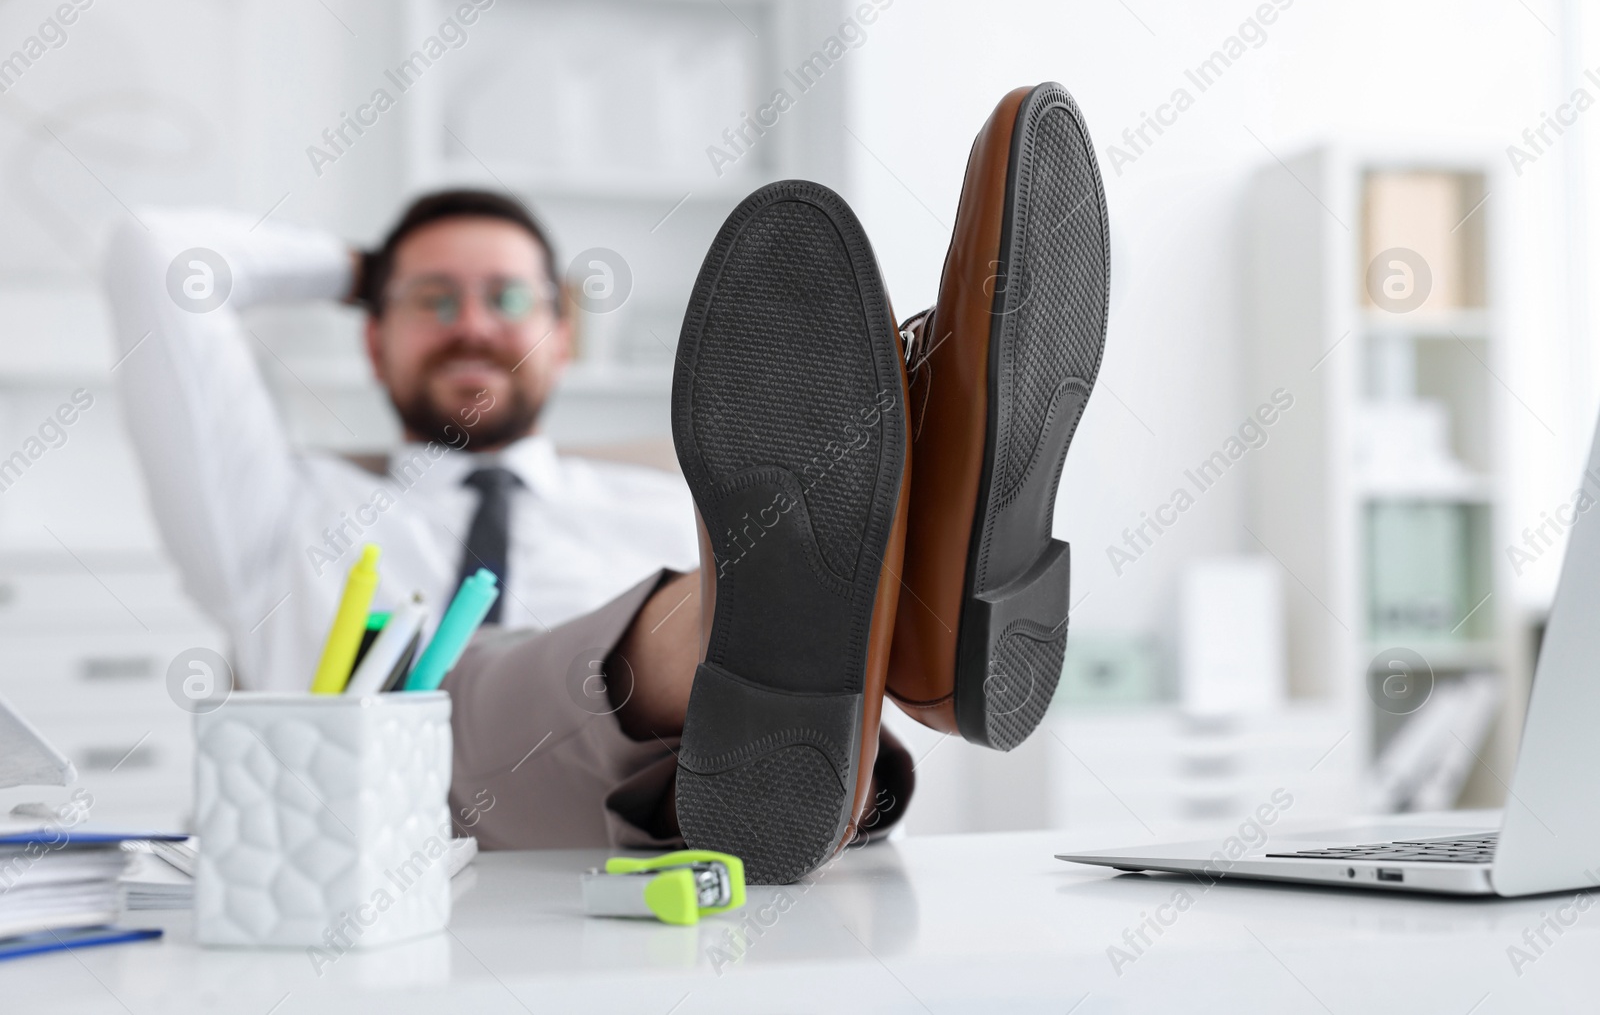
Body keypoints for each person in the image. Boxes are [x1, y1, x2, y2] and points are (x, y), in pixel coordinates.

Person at [106, 82, 1110, 885]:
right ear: (372, 333)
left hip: (678, 829)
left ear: (563, 331)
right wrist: (359, 264)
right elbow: (157, 260)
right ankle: (931, 563)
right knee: (480, 683)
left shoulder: (660, 495)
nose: (473, 321)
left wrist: (402, 279)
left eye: (508, 296)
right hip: (376, 838)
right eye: (430, 298)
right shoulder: (280, 510)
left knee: (744, 600)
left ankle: (892, 572)